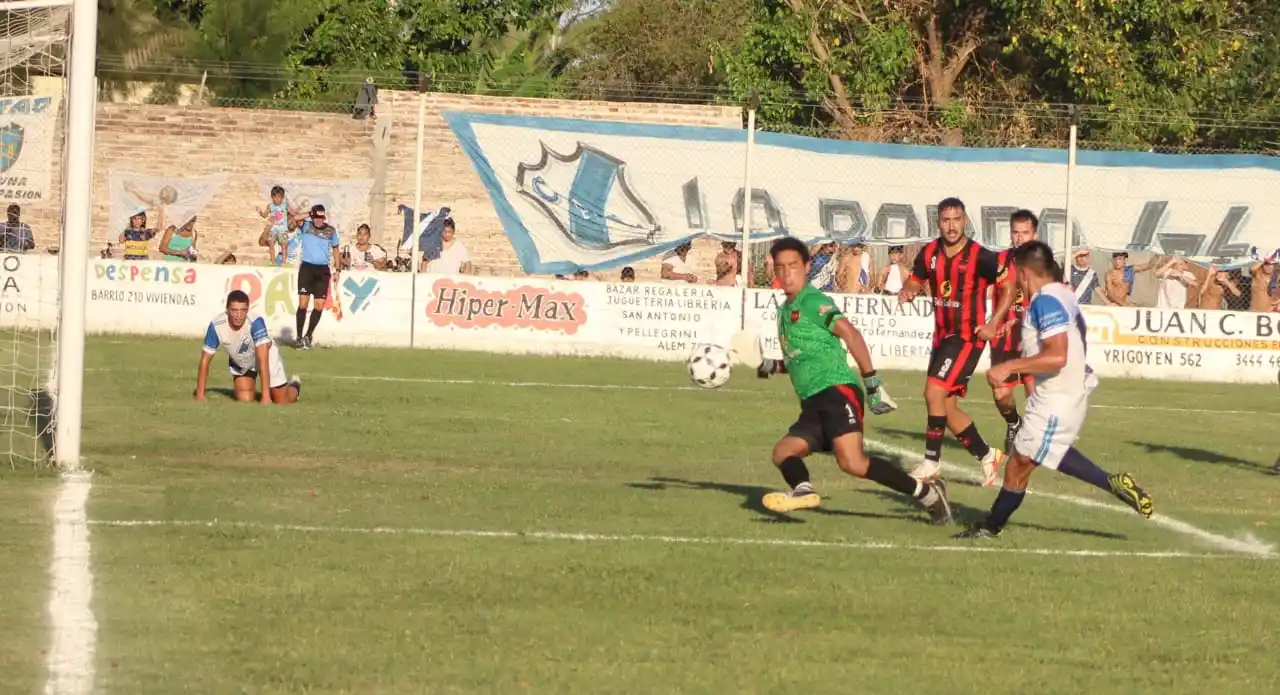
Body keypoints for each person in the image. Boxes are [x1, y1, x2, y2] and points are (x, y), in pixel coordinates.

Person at [743, 237, 953, 524]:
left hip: (837, 391)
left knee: (852, 462)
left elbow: (851, 334)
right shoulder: (784, 311)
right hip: (813, 401)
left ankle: (927, 493)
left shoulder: (813, 301)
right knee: (783, 452)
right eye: (780, 268)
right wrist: (767, 364)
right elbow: (798, 360)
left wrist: (872, 382)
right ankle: (803, 490)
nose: (786, 273)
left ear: (806, 267)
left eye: (793, 266)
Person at [956, 241, 1153, 539]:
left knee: (1020, 465)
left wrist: (1009, 367)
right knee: (1025, 459)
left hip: (1059, 397)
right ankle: (990, 526)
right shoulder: (1062, 293)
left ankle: (989, 528)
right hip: (1060, 393)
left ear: (1024, 273)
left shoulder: (1045, 301)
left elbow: (1057, 354)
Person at [897, 197, 1017, 487]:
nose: (951, 226)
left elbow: (1010, 287)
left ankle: (931, 461)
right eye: (946, 220)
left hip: (967, 338)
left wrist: (992, 322)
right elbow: (916, 279)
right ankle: (988, 456)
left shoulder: (981, 256)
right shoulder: (929, 253)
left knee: (933, 392)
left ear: (965, 221)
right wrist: (908, 290)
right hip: (942, 336)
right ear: (938, 222)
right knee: (946, 408)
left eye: (957, 219)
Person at [988, 209, 1040, 453]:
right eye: (1015, 233)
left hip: (1032, 337)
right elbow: (986, 290)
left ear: (1034, 234)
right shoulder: (999, 261)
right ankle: (1014, 423)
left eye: (1025, 233)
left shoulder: (1045, 264)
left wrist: (1021, 320)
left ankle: (1033, 440)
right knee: (1000, 393)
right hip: (1003, 337)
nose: (1019, 238)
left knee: (1034, 392)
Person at [195, 290, 301, 405]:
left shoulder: (256, 322)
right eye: (234, 310)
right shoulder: (216, 325)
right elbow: (205, 360)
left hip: (266, 354)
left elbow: (263, 358)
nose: (238, 315)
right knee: (245, 399)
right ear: (227, 310)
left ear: (248, 310)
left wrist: (265, 397)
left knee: (282, 400)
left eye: (243, 310)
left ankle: (295, 385)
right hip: (241, 358)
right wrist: (200, 394)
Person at [295, 204, 341, 349]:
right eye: (317, 217)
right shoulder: (307, 226)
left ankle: (308, 335)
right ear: (313, 216)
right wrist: (309, 213)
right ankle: (298, 336)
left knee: (319, 305)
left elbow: (336, 251)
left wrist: (337, 269)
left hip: (322, 270)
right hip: (307, 268)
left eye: (322, 217)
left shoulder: (331, 231)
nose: (319, 220)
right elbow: (295, 218)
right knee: (303, 303)